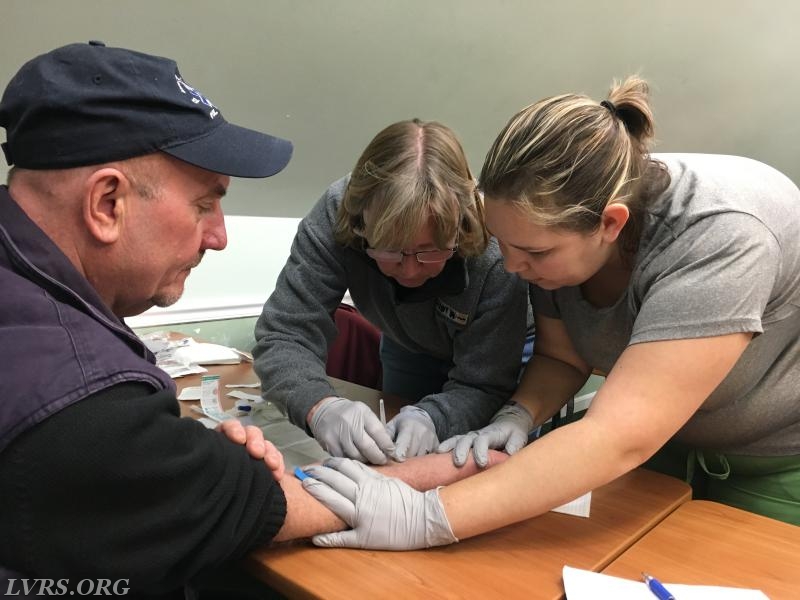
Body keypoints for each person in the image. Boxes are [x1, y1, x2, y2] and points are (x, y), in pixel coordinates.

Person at [298, 75, 800, 551]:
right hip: (668, 448)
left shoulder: (722, 234)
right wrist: (521, 412)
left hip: (775, 460)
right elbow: (561, 357)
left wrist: (427, 517)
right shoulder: (553, 224)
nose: (513, 268)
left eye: (534, 254)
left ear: (610, 224)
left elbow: (619, 436)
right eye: (504, 245)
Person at [253, 119, 531, 465]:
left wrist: (434, 418)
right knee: (398, 450)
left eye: (431, 252)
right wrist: (319, 406)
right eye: (390, 251)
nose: (411, 271)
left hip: (500, 349)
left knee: (480, 461)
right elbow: (284, 333)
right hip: (406, 340)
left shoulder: (494, 248)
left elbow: (485, 384)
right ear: (360, 226)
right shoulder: (336, 212)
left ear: (460, 229)